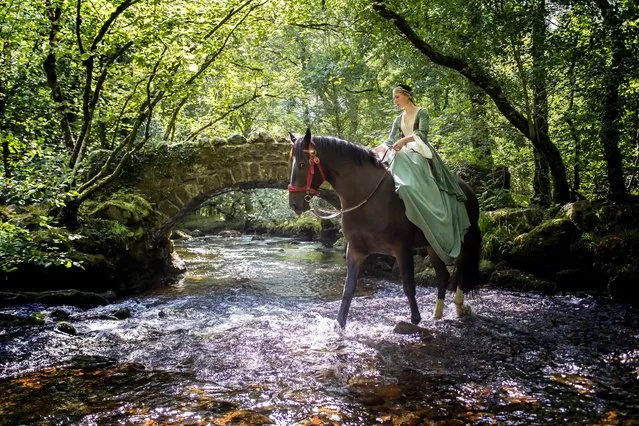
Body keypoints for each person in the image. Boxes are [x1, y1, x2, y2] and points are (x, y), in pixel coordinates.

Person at [372, 84, 470, 265]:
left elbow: (422, 135)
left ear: (407, 96)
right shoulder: (398, 119)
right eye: (394, 98)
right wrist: (371, 151)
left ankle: (431, 213)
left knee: (409, 184)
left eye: (397, 97)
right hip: (401, 154)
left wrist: (404, 140)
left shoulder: (421, 112)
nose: (395, 101)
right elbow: (389, 141)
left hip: (419, 151)